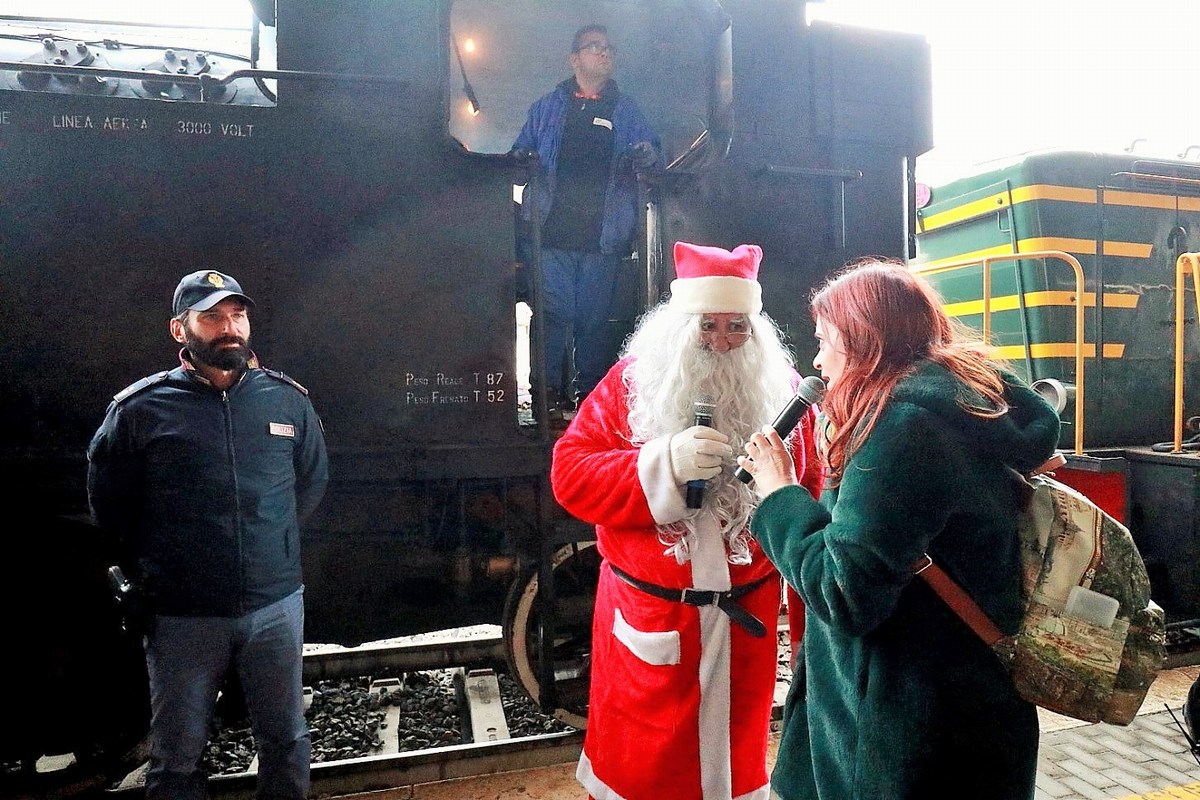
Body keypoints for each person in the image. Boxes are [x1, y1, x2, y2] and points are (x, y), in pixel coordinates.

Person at [737, 260, 1062, 800]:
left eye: (825, 342)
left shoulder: (905, 428)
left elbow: (845, 592)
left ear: (865, 342)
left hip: (901, 737)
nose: (817, 361)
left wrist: (779, 494)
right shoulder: (962, 400)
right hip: (965, 708)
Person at [551, 241, 822, 800]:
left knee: (735, 761)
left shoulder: (786, 392)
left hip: (745, 627)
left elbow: (809, 503)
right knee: (647, 772)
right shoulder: (629, 386)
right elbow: (570, 475)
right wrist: (662, 466)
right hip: (652, 623)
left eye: (736, 328)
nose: (722, 342)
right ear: (681, 327)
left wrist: (810, 639)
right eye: (708, 326)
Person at [87, 270, 330, 800]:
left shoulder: (287, 401)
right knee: (177, 756)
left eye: (237, 315)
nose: (229, 327)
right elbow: (111, 509)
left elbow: (310, 484)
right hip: (183, 615)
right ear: (181, 330)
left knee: (287, 742)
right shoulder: (139, 411)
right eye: (212, 317)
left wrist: (271, 546)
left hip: (275, 606)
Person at [513, 23, 661, 418]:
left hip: (603, 237)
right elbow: (520, 154)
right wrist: (524, 160)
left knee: (593, 323)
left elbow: (652, 155)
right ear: (574, 58)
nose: (604, 53)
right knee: (553, 316)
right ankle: (546, 396)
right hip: (549, 233)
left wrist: (644, 155)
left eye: (608, 48)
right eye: (594, 47)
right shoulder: (547, 107)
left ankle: (590, 404)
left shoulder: (625, 110)